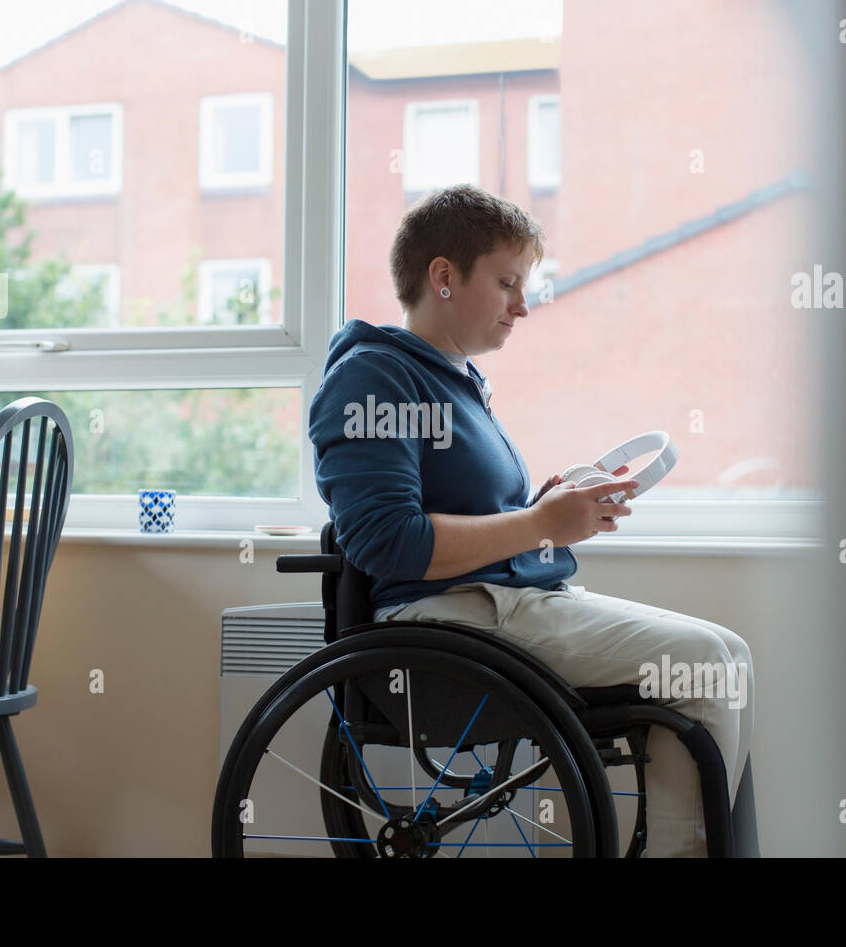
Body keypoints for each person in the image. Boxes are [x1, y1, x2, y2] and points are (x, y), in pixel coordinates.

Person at [308, 184, 756, 857]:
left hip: (495, 603)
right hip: (445, 619)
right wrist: (540, 524)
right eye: (507, 282)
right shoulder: (376, 378)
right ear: (443, 277)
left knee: (728, 657)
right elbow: (387, 542)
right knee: (704, 667)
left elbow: (465, 517)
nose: (524, 305)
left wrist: (546, 506)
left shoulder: (453, 380)